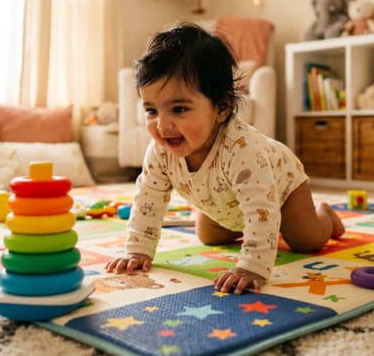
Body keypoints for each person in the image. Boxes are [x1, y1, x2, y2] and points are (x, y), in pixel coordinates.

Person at [105, 22, 345, 295]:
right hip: (223, 200)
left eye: (179, 109)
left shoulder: (243, 150)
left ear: (221, 108)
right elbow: (148, 198)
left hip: (280, 188)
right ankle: (247, 228)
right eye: (151, 110)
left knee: (306, 240)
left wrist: (251, 266)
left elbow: (259, 208)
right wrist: (138, 250)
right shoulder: (160, 151)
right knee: (209, 236)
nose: (163, 125)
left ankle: (326, 216)